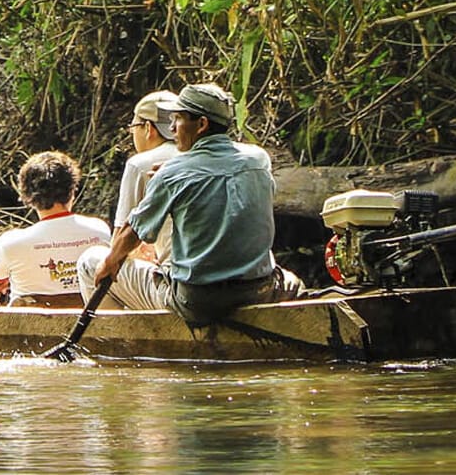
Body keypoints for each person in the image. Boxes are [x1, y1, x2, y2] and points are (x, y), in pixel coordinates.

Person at [78, 83, 304, 327]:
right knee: (294, 283)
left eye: (177, 119)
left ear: (202, 124)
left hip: (197, 301)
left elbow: (131, 234)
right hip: (259, 288)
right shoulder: (259, 160)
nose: (172, 128)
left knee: (91, 262)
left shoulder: (172, 173)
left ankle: (120, 341)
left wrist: (110, 263)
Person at [0, 152, 111, 307]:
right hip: (90, 326)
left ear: (27, 197)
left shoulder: (11, 242)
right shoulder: (99, 230)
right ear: (72, 191)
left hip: (27, 327)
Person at [114, 90, 182, 269]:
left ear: (148, 128)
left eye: (134, 126)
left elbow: (120, 241)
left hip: (176, 278)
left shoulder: (140, 165)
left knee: (92, 261)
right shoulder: (203, 158)